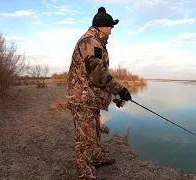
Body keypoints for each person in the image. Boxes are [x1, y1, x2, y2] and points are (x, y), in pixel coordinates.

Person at [66, 6, 132, 180]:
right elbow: (97, 73)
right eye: (110, 27)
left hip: (90, 98)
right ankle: (86, 174)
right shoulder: (90, 42)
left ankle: (96, 159)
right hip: (82, 99)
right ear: (102, 27)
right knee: (85, 139)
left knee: (94, 132)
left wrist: (117, 93)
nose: (111, 31)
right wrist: (120, 89)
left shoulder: (96, 42)